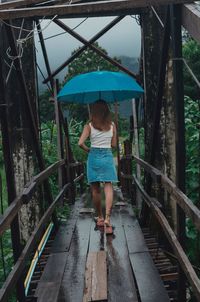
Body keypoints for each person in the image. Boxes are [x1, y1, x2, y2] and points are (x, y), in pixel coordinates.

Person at [78, 100, 118, 234]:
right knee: (108, 186)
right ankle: (108, 218)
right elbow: (113, 145)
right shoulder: (112, 125)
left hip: (94, 156)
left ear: (94, 110)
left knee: (95, 189)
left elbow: (80, 143)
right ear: (107, 110)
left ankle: (100, 217)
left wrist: (89, 150)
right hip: (107, 156)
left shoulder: (89, 126)